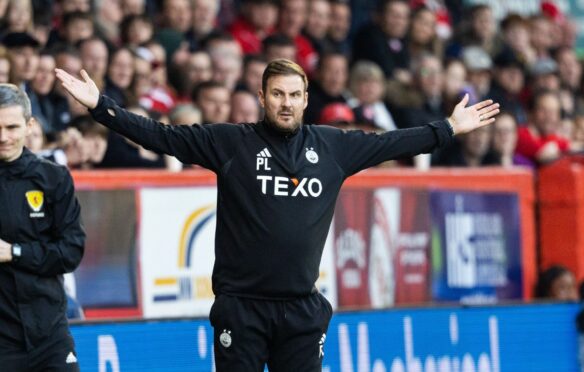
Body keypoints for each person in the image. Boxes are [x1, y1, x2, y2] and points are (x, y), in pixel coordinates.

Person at [55, 58, 498, 371]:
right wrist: (101, 107)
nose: (286, 103)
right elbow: (161, 136)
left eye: (294, 95)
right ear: (263, 97)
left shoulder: (333, 147)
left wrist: (449, 128)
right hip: (241, 309)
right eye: (277, 94)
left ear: (306, 99)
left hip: (302, 311)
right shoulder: (231, 142)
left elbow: (393, 143)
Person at [0, 83, 85, 371]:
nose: (3, 137)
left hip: (50, 335)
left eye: (11, 127)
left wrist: (15, 252)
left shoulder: (54, 178)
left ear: (29, 125)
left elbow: (71, 252)